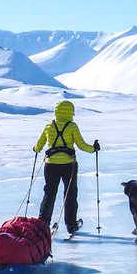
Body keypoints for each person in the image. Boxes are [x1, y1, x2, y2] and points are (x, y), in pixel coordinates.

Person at [33, 100, 99, 234]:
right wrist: (93, 149)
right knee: (70, 194)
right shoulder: (72, 126)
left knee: (49, 193)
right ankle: (71, 225)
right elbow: (81, 145)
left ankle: (43, 224)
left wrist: (35, 148)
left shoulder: (49, 126)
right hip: (69, 165)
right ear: (71, 111)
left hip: (50, 165)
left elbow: (38, 146)